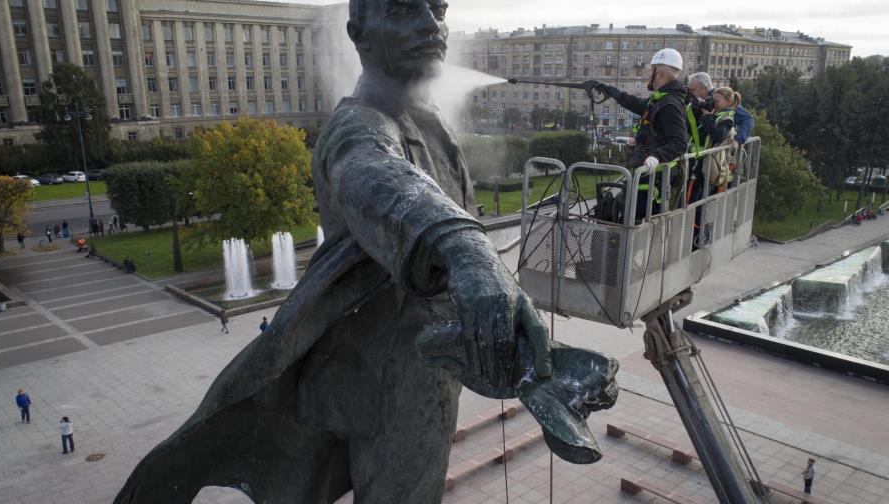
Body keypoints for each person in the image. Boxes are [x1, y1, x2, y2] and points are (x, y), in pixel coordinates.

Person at [111, 3, 619, 503]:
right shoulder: (357, 126)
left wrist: (523, 355)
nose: (430, 26)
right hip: (383, 385)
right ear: (358, 32)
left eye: (437, 9)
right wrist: (464, 247)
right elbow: (373, 172)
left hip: (423, 375)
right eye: (402, 10)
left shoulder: (427, 122)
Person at [588, 49, 689, 219]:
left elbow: (680, 142)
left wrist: (656, 156)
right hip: (648, 177)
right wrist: (610, 90)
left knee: (636, 225)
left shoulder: (669, 104)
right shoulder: (662, 98)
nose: (649, 74)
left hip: (653, 181)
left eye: (652, 70)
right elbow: (637, 104)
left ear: (660, 73)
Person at [688, 72, 755, 145]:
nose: (690, 93)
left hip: (714, 150)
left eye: (692, 90)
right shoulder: (700, 102)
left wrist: (737, 139)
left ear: (703, 88)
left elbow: (747, 119)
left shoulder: (722, 100)